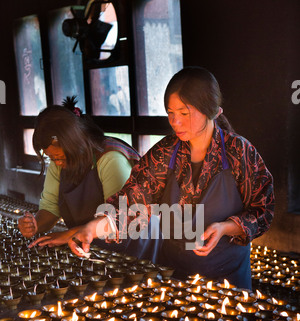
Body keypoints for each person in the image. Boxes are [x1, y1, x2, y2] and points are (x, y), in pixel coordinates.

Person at [30, 68, 275, 289]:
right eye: (170, 112)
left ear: (211, 111)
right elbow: (130, 203)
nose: (175, 122)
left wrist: (225, 227)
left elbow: (263, 210)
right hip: (175, 272)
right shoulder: (164, 154)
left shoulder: (238, 152)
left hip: (228, 275)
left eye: (184, 113)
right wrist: (91, 229)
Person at [18, 96, 140, 245]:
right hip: (91, 245)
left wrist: (69, 235)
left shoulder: (110, 158)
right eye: (51, 157)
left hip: (130, 246)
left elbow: (118, 217)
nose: (56, 162)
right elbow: (50, 208)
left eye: (59, 157)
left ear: (74, 144)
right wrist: (35, 225)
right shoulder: (58, 164)